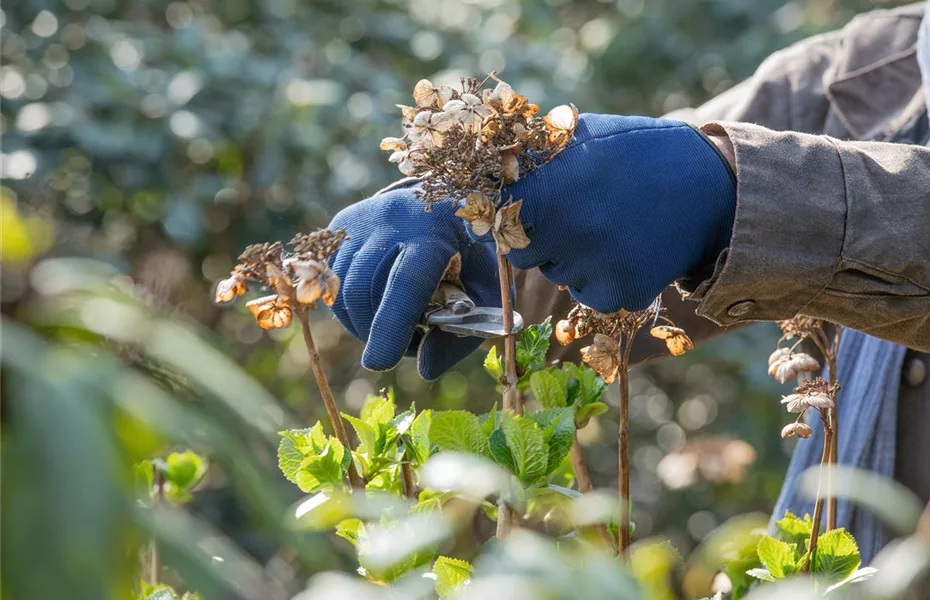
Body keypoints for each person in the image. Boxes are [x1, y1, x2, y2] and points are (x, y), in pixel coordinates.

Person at [327, 2, 930, 562]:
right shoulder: (876, 67)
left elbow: (710, 181)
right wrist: (479, 234)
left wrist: (739, 198)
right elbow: (637, 186)